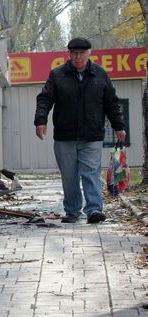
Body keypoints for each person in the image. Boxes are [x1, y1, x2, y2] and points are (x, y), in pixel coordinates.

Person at [34, 37, 126, 224]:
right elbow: (44, 99)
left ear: (89, 53)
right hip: (64, 136)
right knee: (69, 176)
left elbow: (112, 103)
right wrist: (40, 121)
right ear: (69, 54)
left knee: (91, 172)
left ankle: (93, 210)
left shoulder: (100, 75)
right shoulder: (57, 75)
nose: (78, 57)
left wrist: (119, 126)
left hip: (92, 135)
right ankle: (72, 211)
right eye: (74, 53)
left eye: (82, 53)